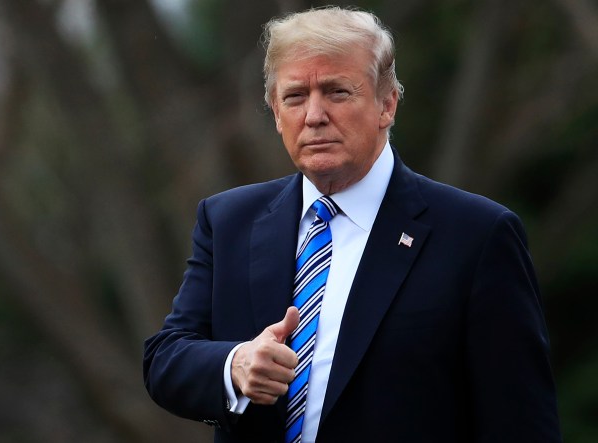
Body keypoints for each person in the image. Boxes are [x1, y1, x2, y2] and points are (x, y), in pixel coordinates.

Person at [143, 6, 561, 443]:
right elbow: (166, 360)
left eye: (337, 92)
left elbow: (521, 422)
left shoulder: (477, 235)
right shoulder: (228, 220)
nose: (315, 115)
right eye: (295, 96)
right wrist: (235, 366)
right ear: (274, 111)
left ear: (387, 104)